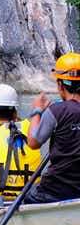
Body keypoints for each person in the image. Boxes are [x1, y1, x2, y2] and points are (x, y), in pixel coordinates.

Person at [24, 53, 80, 204]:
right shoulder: (57, 110)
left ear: (61, 85)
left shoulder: (57, 111)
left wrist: (36, 111)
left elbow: (33, 143)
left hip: (55, 189)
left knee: (27, 194)